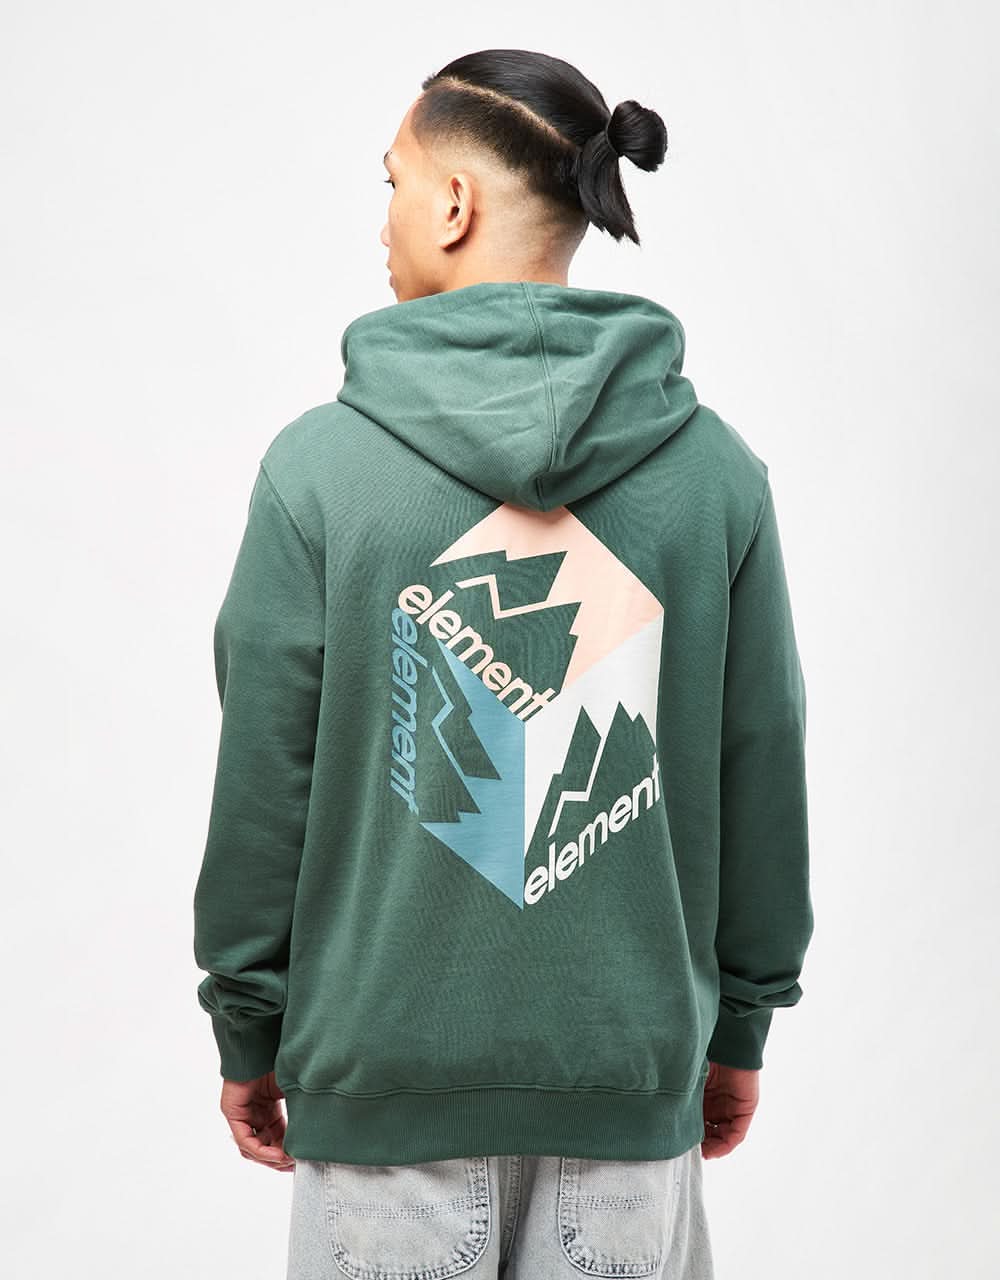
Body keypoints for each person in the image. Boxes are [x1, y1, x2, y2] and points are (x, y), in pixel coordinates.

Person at [192, 47, 814, 1280]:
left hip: (381, 1098)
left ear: (453, 203)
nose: (381, 217)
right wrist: (740, 1021)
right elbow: (762, 759)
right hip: (625, 1093)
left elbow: (265, 772)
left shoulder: (317, 474)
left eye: (391, 182)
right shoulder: (714, 477)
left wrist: (246, 1024)